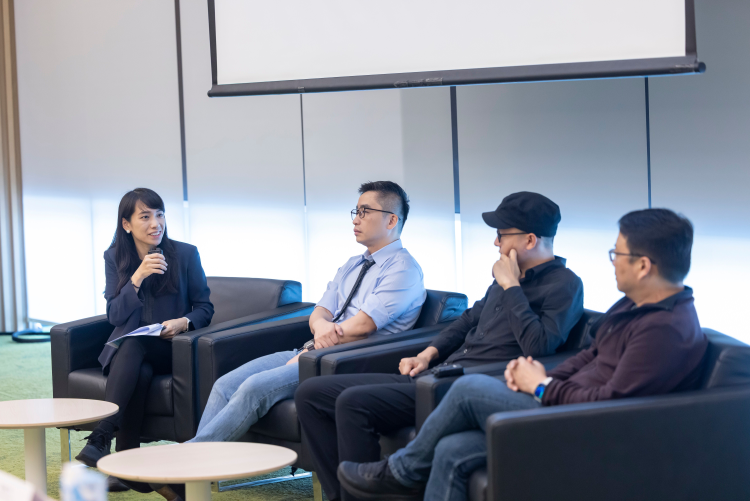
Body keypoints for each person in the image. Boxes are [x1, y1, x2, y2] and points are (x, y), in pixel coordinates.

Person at [337, 208, 708, 501]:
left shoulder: (665, 329)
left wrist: (543, 387)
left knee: (468, 389)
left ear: (643, 265)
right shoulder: (632, 306)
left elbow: (612, 403)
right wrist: (538, 379)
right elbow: (589, 355)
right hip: (563, 405)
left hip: (592, 429)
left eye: (618, 254)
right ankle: (402, 472)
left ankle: (401, 472)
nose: (613, 261)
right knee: (452, 449)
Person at [296, 191, 585, 501]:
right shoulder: (504, 279)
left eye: (501, 235)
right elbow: (466, 321)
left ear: (530, 240)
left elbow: (539, 347)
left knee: (353, 402)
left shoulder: (564, 284)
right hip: (437, 373)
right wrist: (426, 354)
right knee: (311, 393)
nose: (495, 243)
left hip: (467, 387)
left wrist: (512, 286)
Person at [150, 181, 426, 501]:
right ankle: (191, 480)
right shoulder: (353, 263)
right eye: (356, 211)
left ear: (391, 220)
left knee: (255, 388)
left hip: (348, 361)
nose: (356, 219)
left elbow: (363, 326)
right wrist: (319, 335)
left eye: (365, 212)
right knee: (225, 384)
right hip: (314, 350)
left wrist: (319, 347)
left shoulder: (404, 269)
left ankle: (183, 466)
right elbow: (320, 311)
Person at [74, 189, 214, 478]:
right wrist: (137, 277)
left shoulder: (185, 254)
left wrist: (183, 322)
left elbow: (205, 308)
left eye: (160, 215)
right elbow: (115, 316)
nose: (155, 224)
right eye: (145, 217)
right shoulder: (114, 257)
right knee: (140, 369)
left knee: (135, 346)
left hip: (172, 347)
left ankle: (101, 435)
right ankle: (125, 470)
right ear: (126, 224)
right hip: (131, 354)